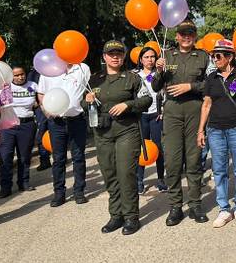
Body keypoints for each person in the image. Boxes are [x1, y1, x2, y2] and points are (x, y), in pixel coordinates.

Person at [86, 41, 151, 235]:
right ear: (104, 57)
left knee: (126, 174)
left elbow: (146, 99)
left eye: (119, 53)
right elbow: (83, 103)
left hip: (126, 131)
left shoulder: (132, 78)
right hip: (102, 133)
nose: (115, 57)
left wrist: (128, 105)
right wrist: (86, 100)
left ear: (123, 57)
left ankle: (131, 217)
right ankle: (116, 215)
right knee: (109, 174)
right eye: (111, 54)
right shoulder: (94, 79)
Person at [153, 19, 210, 225]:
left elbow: (210, 84)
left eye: (190, 33)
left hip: (195, 109)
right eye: (183, 33)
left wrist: (191, 86)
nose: (186, 37)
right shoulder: (166, 56)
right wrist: (158, 71)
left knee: (194, 160)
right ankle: (175, 207)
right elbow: (155, 86)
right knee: (173, 161)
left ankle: (195, 204)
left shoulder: (203, 57)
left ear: (195, 36)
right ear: (176, 36)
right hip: (173, 111)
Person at [198, 39, 236, 227]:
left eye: (218, 55)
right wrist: (200, 130)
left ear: (229, 57)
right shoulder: (211, 78)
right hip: (215, 129)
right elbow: (206, 104)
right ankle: (223, 209)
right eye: (213, 55)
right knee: (219, 170)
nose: (215, 59)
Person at [37, 58, 91, 207]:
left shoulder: (82, 68)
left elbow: (85, 89)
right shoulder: (48, 71)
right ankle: (59, 193)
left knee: (79, 157)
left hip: (77, 120)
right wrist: (46, 111)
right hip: (57, 122)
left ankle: (79, 192)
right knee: (58, 159)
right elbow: (41, 94)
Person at [0, 65, 38, 197]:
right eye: (16, 75)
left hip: (27, 125)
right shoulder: (5, 87)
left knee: (24, 156)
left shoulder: (33, 85)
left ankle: (23, 182)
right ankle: (5, 187)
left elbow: (38, 102)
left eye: (22, 74)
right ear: (11, 76)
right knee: (5, 156)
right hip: (7, 126)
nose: (20, 77)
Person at [133, 47, 167, 194]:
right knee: (142, 148)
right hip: (141, 116)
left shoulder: (160, 73)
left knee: (158, 148)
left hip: (156, 115)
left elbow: (166, 93)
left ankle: (161, 180)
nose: (150, 59)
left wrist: (163, 110)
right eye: (146, 57)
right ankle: (139, 180)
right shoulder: (135, 76)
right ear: (141, 59)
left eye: (152, 56)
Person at [27, 69, 51, 171]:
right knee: (41, 134)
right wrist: (35, 102)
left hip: (54, 105)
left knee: (57, 132)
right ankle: (45, 160)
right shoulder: (33, 73)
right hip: (40, 109)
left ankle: (60, 156)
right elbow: (29, 89)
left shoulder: (54, 70)